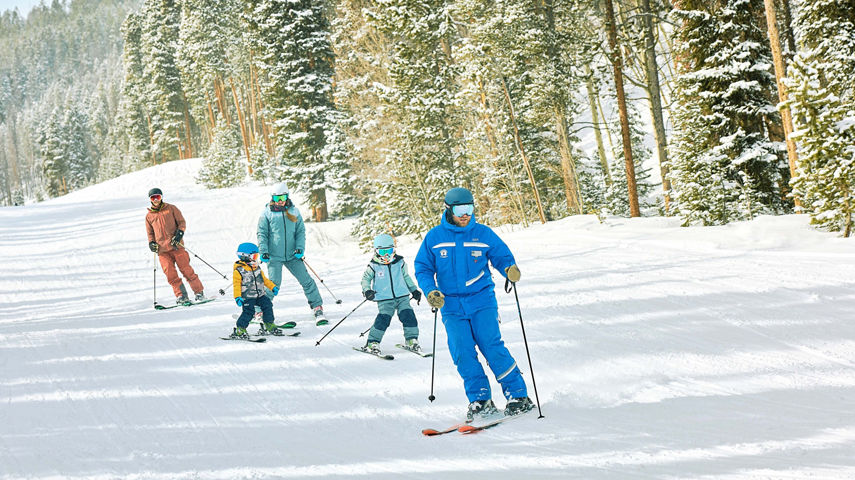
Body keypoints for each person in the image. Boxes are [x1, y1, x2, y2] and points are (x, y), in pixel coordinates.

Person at [414, 187, 533, 421]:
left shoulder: (483, 234)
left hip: (482, 301)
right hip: (450, 305)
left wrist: (509, 269)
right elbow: (423, 268)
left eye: (469, 208)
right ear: (448, 209)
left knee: (491, 345)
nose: (465, 214)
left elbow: (502, 257)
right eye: (460, 209)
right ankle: (480, 399)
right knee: (462, 352)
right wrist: (430, 291)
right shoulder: (434, 238)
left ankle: (518, 395)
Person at [257, 182, 327, 325]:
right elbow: (262, 233)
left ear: (287, 196)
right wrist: (263, 251)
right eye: (277, 198)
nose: (280, 201)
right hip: (274, 256)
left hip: (292, 255)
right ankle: (258, 310)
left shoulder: (294, 212)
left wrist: (300, 248)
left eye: (282, 197)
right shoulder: (266, 213)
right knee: (273, 284)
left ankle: (317, 307)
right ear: (272, 199)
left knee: (306, 280)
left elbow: (300, 231)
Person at [360, 233, 423, 353]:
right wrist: (367, 290)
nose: (387, 255)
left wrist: (413, 290)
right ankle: (372, 342)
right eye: (383, 252)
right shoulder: (374, 265)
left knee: (408, 316)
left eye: (389, 250)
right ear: (376, 251)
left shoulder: (400, 262)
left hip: (402, 296)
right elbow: (365, 279)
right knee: (383, 319)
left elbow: (406, 277)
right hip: (384, 298)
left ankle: (411, 340)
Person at [145, 187, 205, 305]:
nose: (156, 200)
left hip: (176, 246)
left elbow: (181, 222)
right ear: (150, 200)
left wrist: (179, 234)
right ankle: (181, 296)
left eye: (158, 197)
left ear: (162, 197)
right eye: (153, 198)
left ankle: (199, 292)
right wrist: (151, 243)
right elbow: (150, 233)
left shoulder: (171, 209)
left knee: (187, 270)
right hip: (162, 251)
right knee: (170, 274)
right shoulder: (149, 216)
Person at [231, 242, 282, 338]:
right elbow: (236, 285)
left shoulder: (256, 268)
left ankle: (269, 324)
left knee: (267, 305)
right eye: (254, 256)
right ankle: (240, 329)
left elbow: (264, 280)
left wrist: (272, 287)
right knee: (248, 312)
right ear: (245, 256)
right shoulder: (239, 271)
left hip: (260, 295)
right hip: (247, 297)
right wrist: (237, 297)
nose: (256, 259)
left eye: (256, 256)